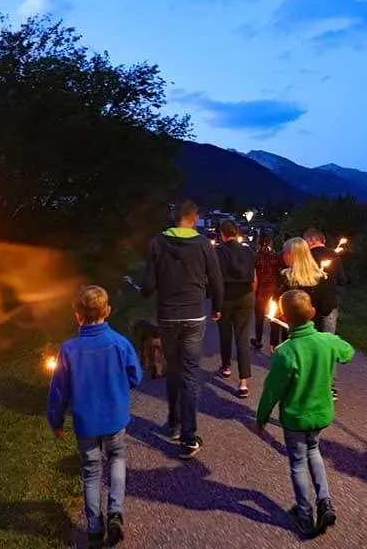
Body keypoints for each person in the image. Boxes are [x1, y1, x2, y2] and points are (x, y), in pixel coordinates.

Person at [47, 285, 143, 548]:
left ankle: (93, 526)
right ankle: (115, 512)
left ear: (78, 315)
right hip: (115, 419)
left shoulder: (69, 350)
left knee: (90, 472)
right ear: (108, 311)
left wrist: (56, 421)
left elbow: (58, 391)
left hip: (86, 424)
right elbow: (136, 376)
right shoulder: (120, 343)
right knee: (116, 459)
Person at [256, 289, 355, 537]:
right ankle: (325, 502)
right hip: (320, 416)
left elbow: (271, 390)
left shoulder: (285, 352)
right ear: (312, 312)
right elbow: (348, 353)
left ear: (284, 317)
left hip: (296, 419)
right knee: (314, 451)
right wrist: (332, 344)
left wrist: (262, 418)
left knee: (298, 463)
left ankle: (304, 514)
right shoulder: (326, 341)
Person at [140, 199, 223, 459]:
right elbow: (216, 279)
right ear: (194, 218)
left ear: (174, 217)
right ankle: (188, 438)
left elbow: (149, 283)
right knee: (189, 374)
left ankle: (174, 424)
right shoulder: (202, 244)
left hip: (167, 316)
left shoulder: (157, 243)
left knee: (173, 370)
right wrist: (217, 306)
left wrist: (143, 291)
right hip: (194, 317)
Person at [304, 228, 348, 401]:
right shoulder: (334, 255)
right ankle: (330, 387)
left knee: (310, 344)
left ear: (311, 240)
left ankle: (310, 383)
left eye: (306, 241)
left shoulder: (307, 257)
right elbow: (343, 280)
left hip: (310, 306)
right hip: (330, 305)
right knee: (328, 345)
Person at [215, 219, 256, 398]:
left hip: (226, 297)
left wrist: (215, 305)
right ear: (237, 233)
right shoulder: (248, 251)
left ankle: (226, 367)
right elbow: (254, 277)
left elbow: (215, 280)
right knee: (242, 338)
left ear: (222, 233)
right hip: (246, 296)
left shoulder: (218, 251)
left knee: (225, 333)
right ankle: (244, 382)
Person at [269, 237, 333, 349]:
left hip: (291, 334)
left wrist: (274, 340)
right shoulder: (321, 278)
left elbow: (276, 308)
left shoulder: (286, 278)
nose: (283, 256)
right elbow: (326, 308)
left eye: (285, 253)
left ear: (293, 255)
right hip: (313, 331)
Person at [251, 230, 284, 350]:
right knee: (274, 318)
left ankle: (258, 340)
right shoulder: (276, 256)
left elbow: (254, 277)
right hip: (274, 291)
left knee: (259, 319)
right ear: (271, 241)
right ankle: (273, 345)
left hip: (260, 291)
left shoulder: (255, 257)